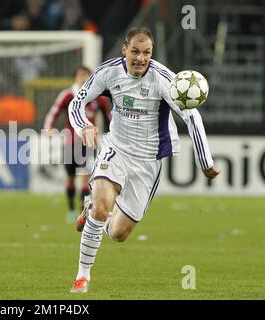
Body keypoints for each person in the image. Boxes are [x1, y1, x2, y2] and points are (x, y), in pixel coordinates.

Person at [68, 27, 220, 293]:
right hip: (115, 148)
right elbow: (76, 103)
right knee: (102, 208)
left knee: (118, 234)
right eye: (135, 52)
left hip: (148, 161)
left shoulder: (164, 79)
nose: (140, 58)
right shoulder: (108, 72)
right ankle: (83, 276)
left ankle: (91, 209)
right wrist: (84, 126)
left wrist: (205, 161)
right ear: (124, 50)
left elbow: (191, 116)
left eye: (146, 52)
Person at [43, 66, 111, 222]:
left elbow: (109, 116)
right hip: (70, 143)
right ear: (75, 77)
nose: (83, 78)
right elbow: (54, 111)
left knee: (85, 178)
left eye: (86, 76)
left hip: (89, 144)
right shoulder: (67, 95)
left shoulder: (98, 97)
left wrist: (113, 133)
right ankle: (71, 210)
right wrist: (48, 128)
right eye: (80, 75)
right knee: (70, 178)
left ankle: (83, 213)